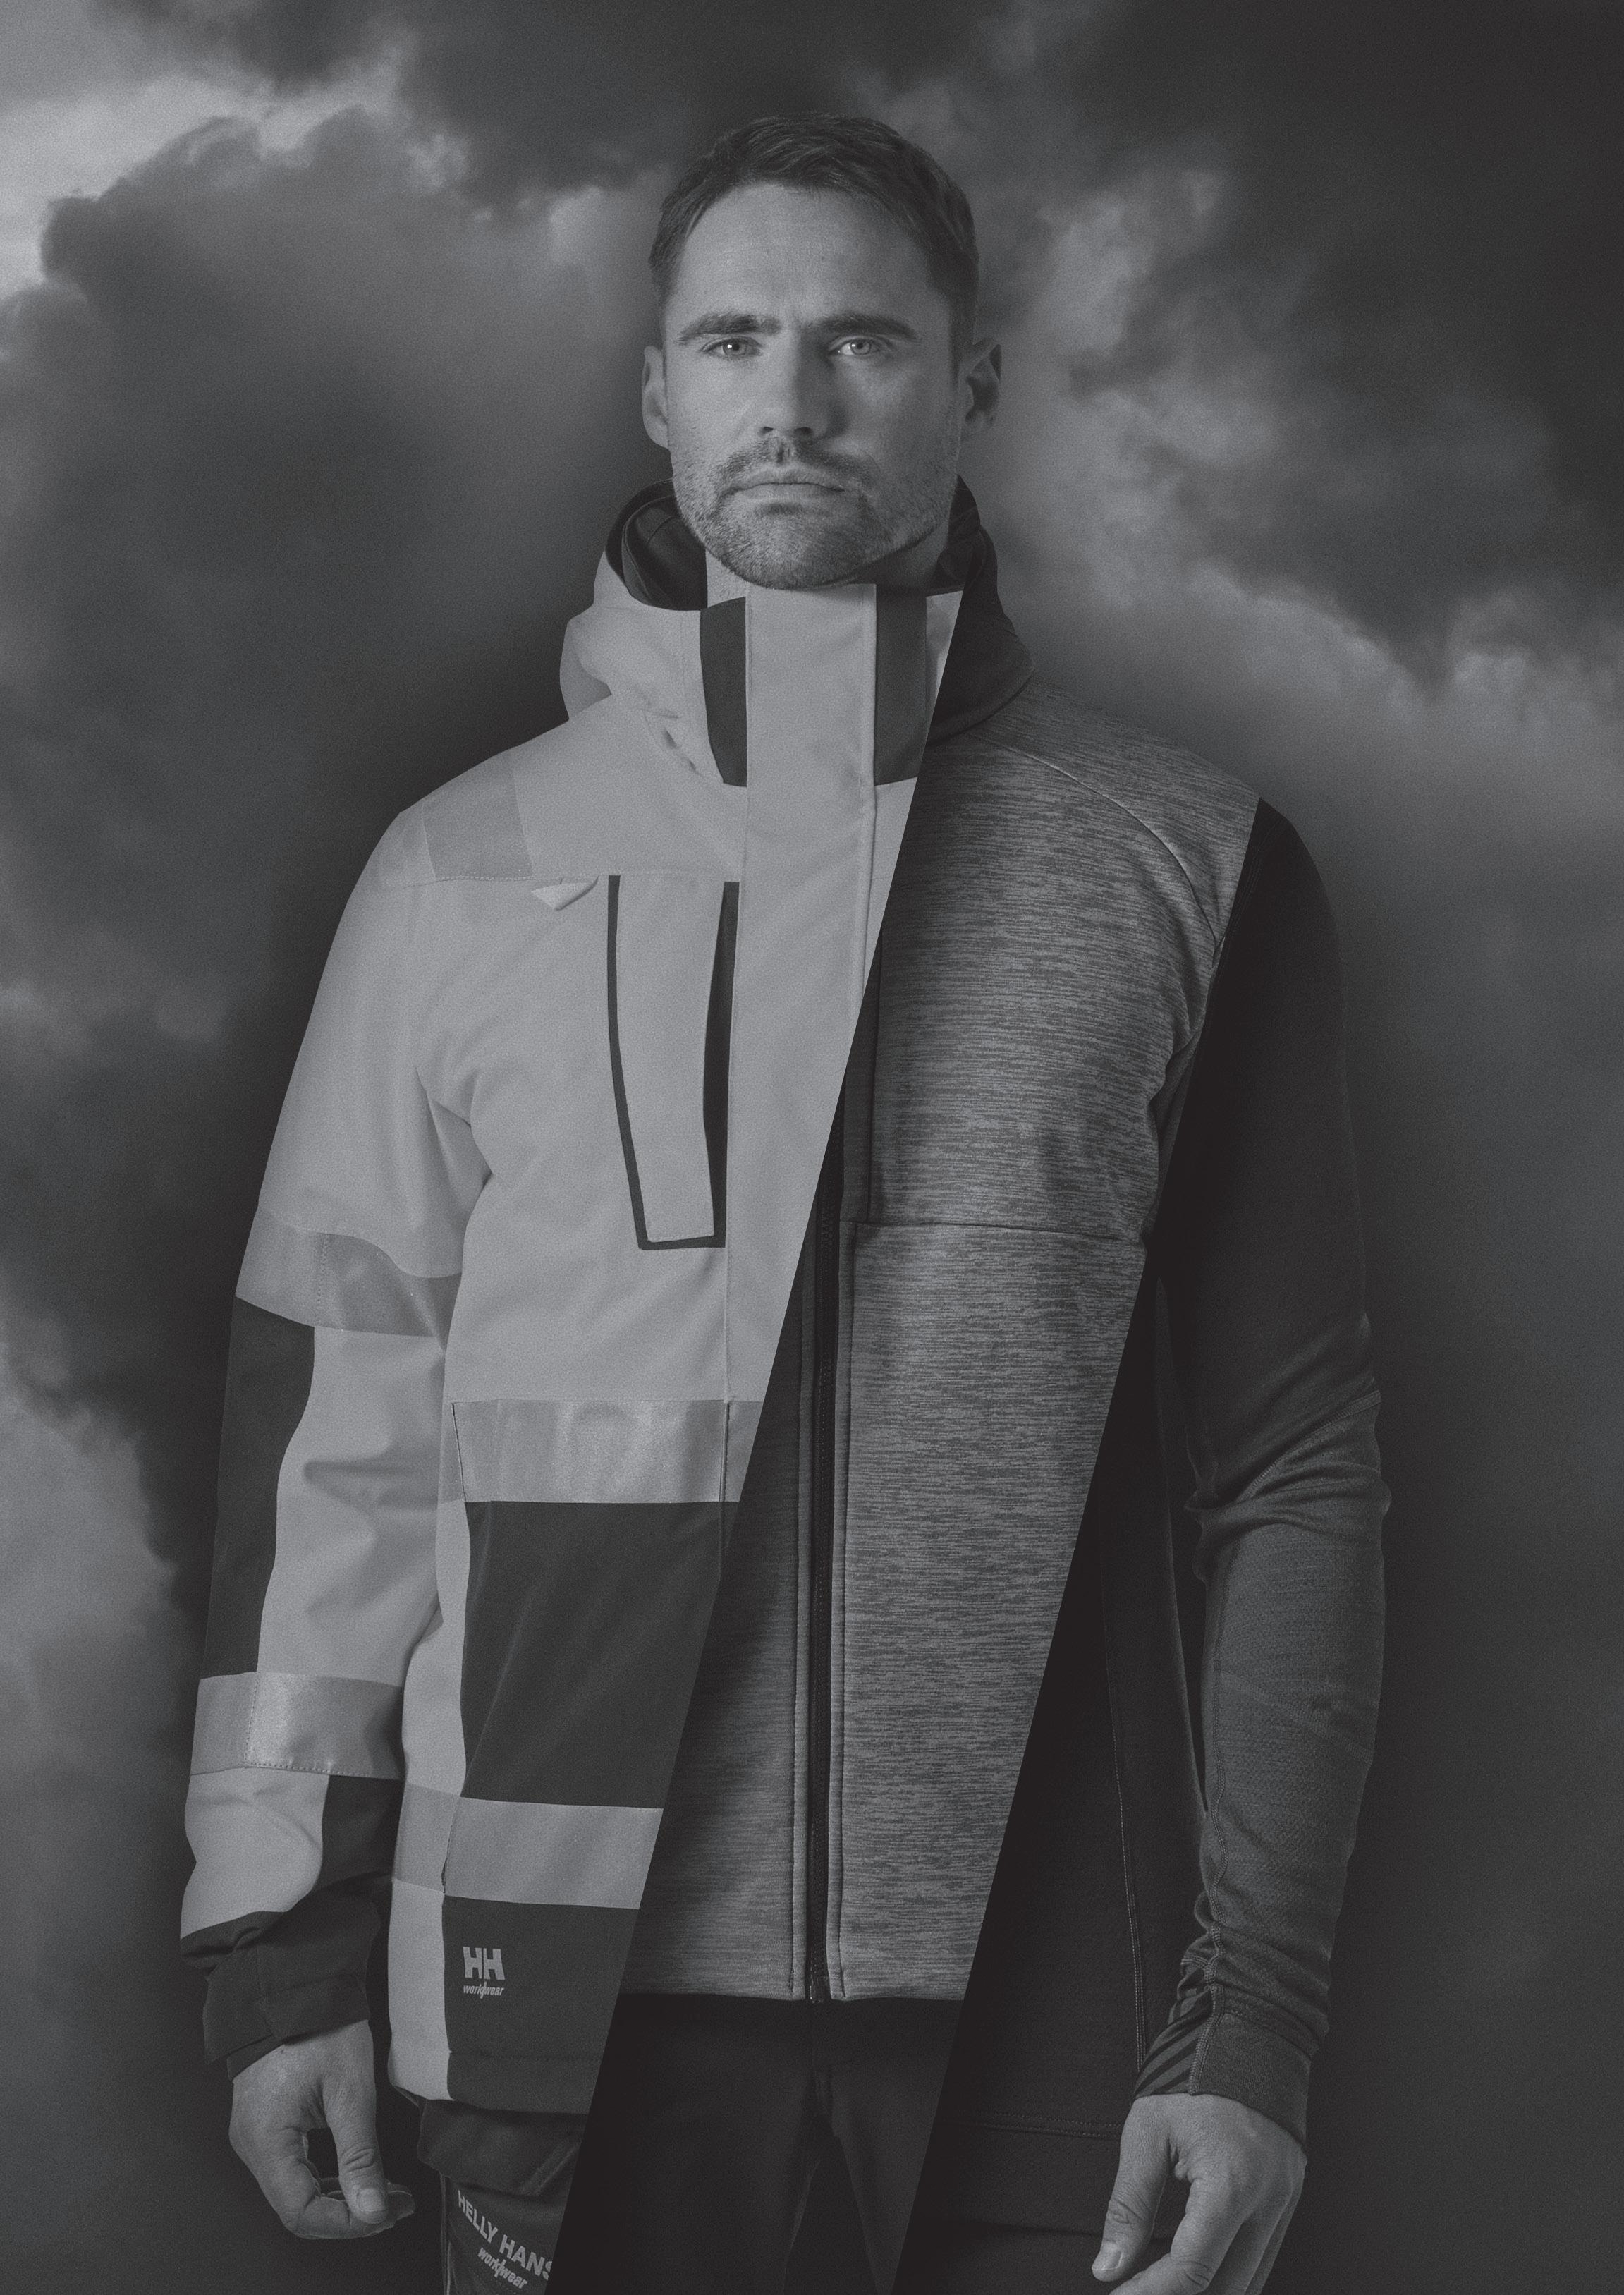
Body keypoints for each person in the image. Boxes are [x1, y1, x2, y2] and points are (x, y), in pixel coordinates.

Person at [181, 115, 1387, 2295]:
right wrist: (282, 1951)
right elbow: (334, 1441)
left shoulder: (1193, 864)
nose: (795, 398)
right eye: (735, 339)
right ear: (658, 389)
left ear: (972, 383)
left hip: (1058, 2034)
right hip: (560, 2017)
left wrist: (1257, 2023)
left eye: (864, 341)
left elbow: (1293, 1467)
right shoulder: (456, 875)